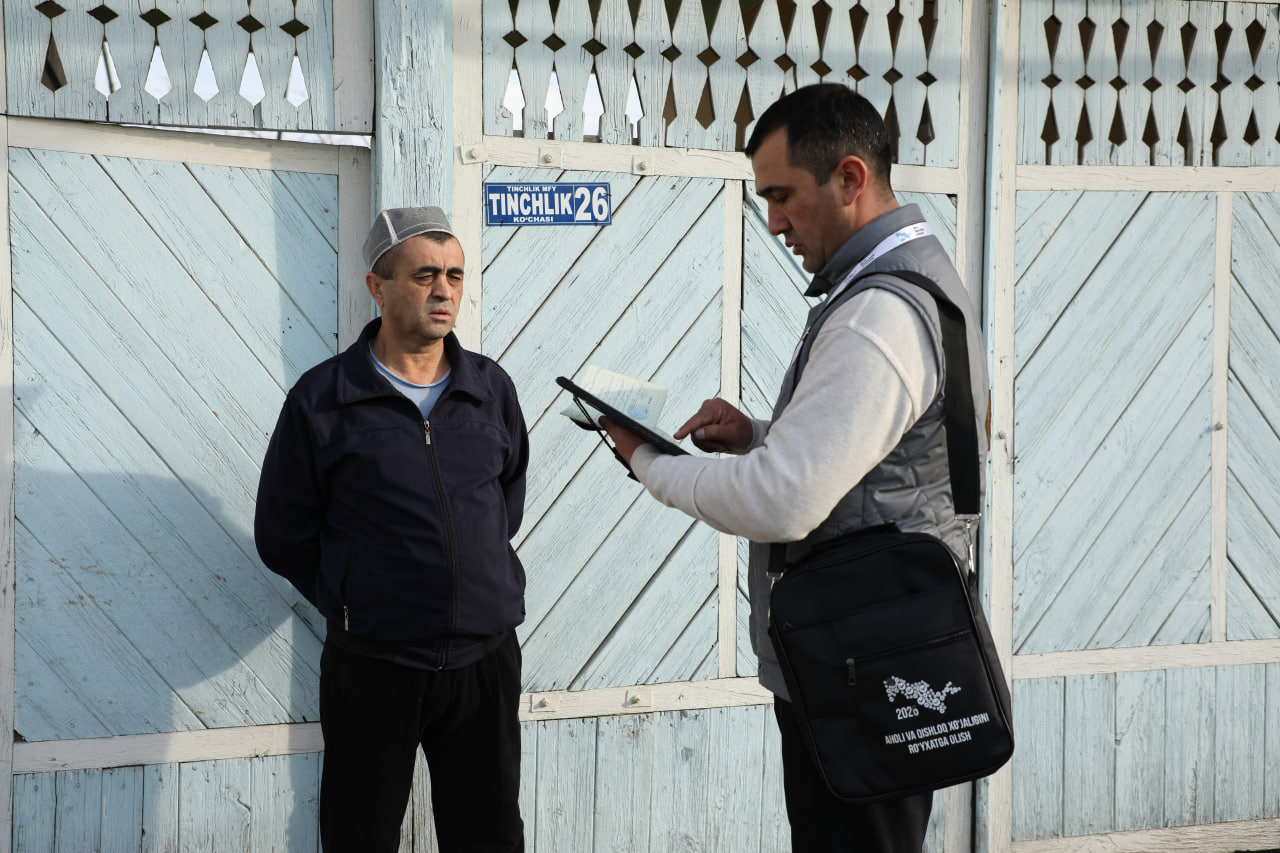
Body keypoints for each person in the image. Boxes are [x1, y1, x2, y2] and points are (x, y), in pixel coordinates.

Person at [602, 84, 988, 851]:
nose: (772, 221)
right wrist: (759, 433)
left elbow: (784, 501)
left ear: (850, 178)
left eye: (781, 196)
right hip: (870, 651)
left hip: (862, 662)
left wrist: (648, 461)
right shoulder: (907, 279)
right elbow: (882, 450)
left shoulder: (880, 312)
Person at [255, 206, 529, 852]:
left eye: (454, 275)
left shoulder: (490, 388)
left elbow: (506, 502)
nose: (444, 290)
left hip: (484, 661)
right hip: (375, 666)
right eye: (425, 274)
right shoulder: (324, 398)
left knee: (489, 835)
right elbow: (282, 531)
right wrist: (355, 594)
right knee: (360, 835)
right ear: (377, 287)